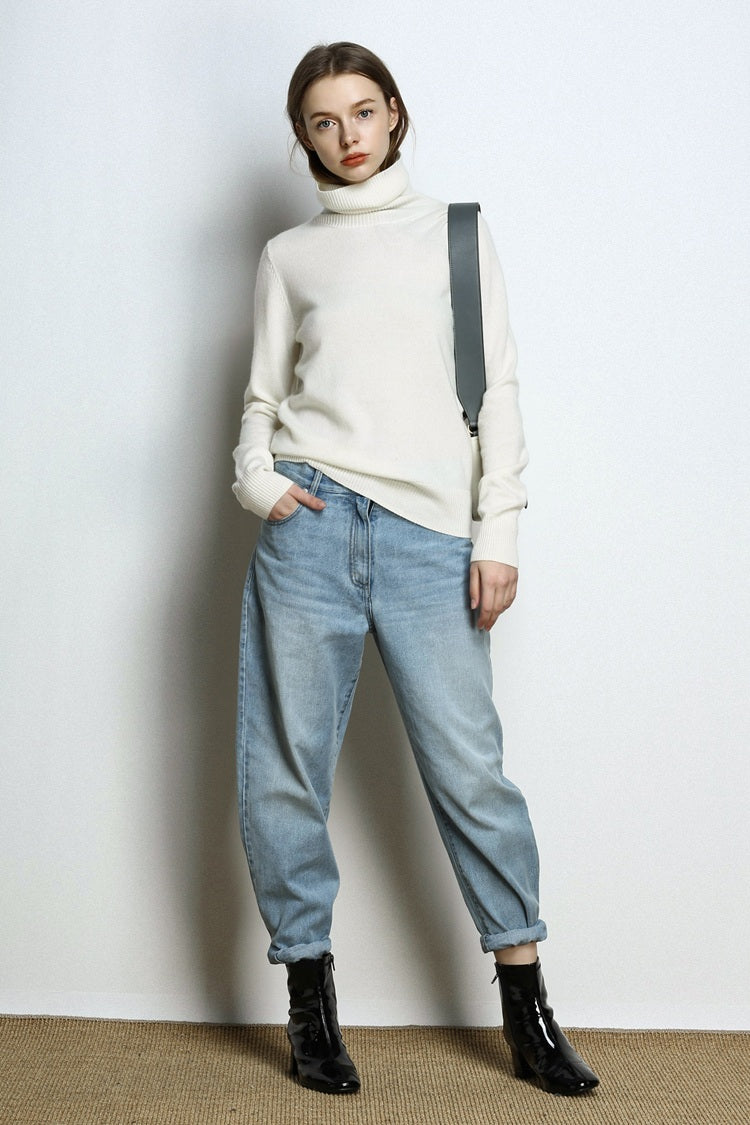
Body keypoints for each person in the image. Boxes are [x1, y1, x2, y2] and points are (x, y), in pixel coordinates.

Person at [232, 41, 599, 1098]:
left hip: (429, 536)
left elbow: (498, 391)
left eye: (362, 111)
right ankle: (310, 1002)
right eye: (323, 121)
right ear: (303, 137)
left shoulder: (457, 233)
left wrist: (499, 533)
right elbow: (261, 399)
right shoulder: (289, 256)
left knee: (470, 771)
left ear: (394, 113)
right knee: (284, 768)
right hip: (308, 525)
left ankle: (527, 1006)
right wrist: (257, 479)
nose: (346, 135)